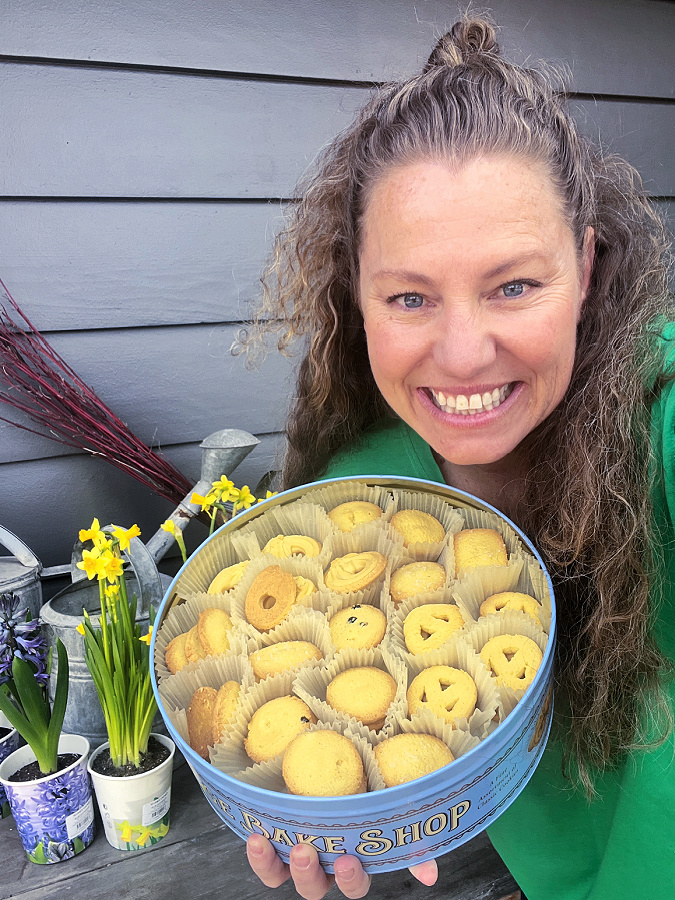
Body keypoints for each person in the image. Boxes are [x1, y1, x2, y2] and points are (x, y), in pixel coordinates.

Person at [239, 16, 674, 900]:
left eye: (514, 285)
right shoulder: (353, 505)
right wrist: (333, 807)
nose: (465, 354)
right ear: (354, 296)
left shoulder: (657, 407)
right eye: (409, 296)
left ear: (585, 268)